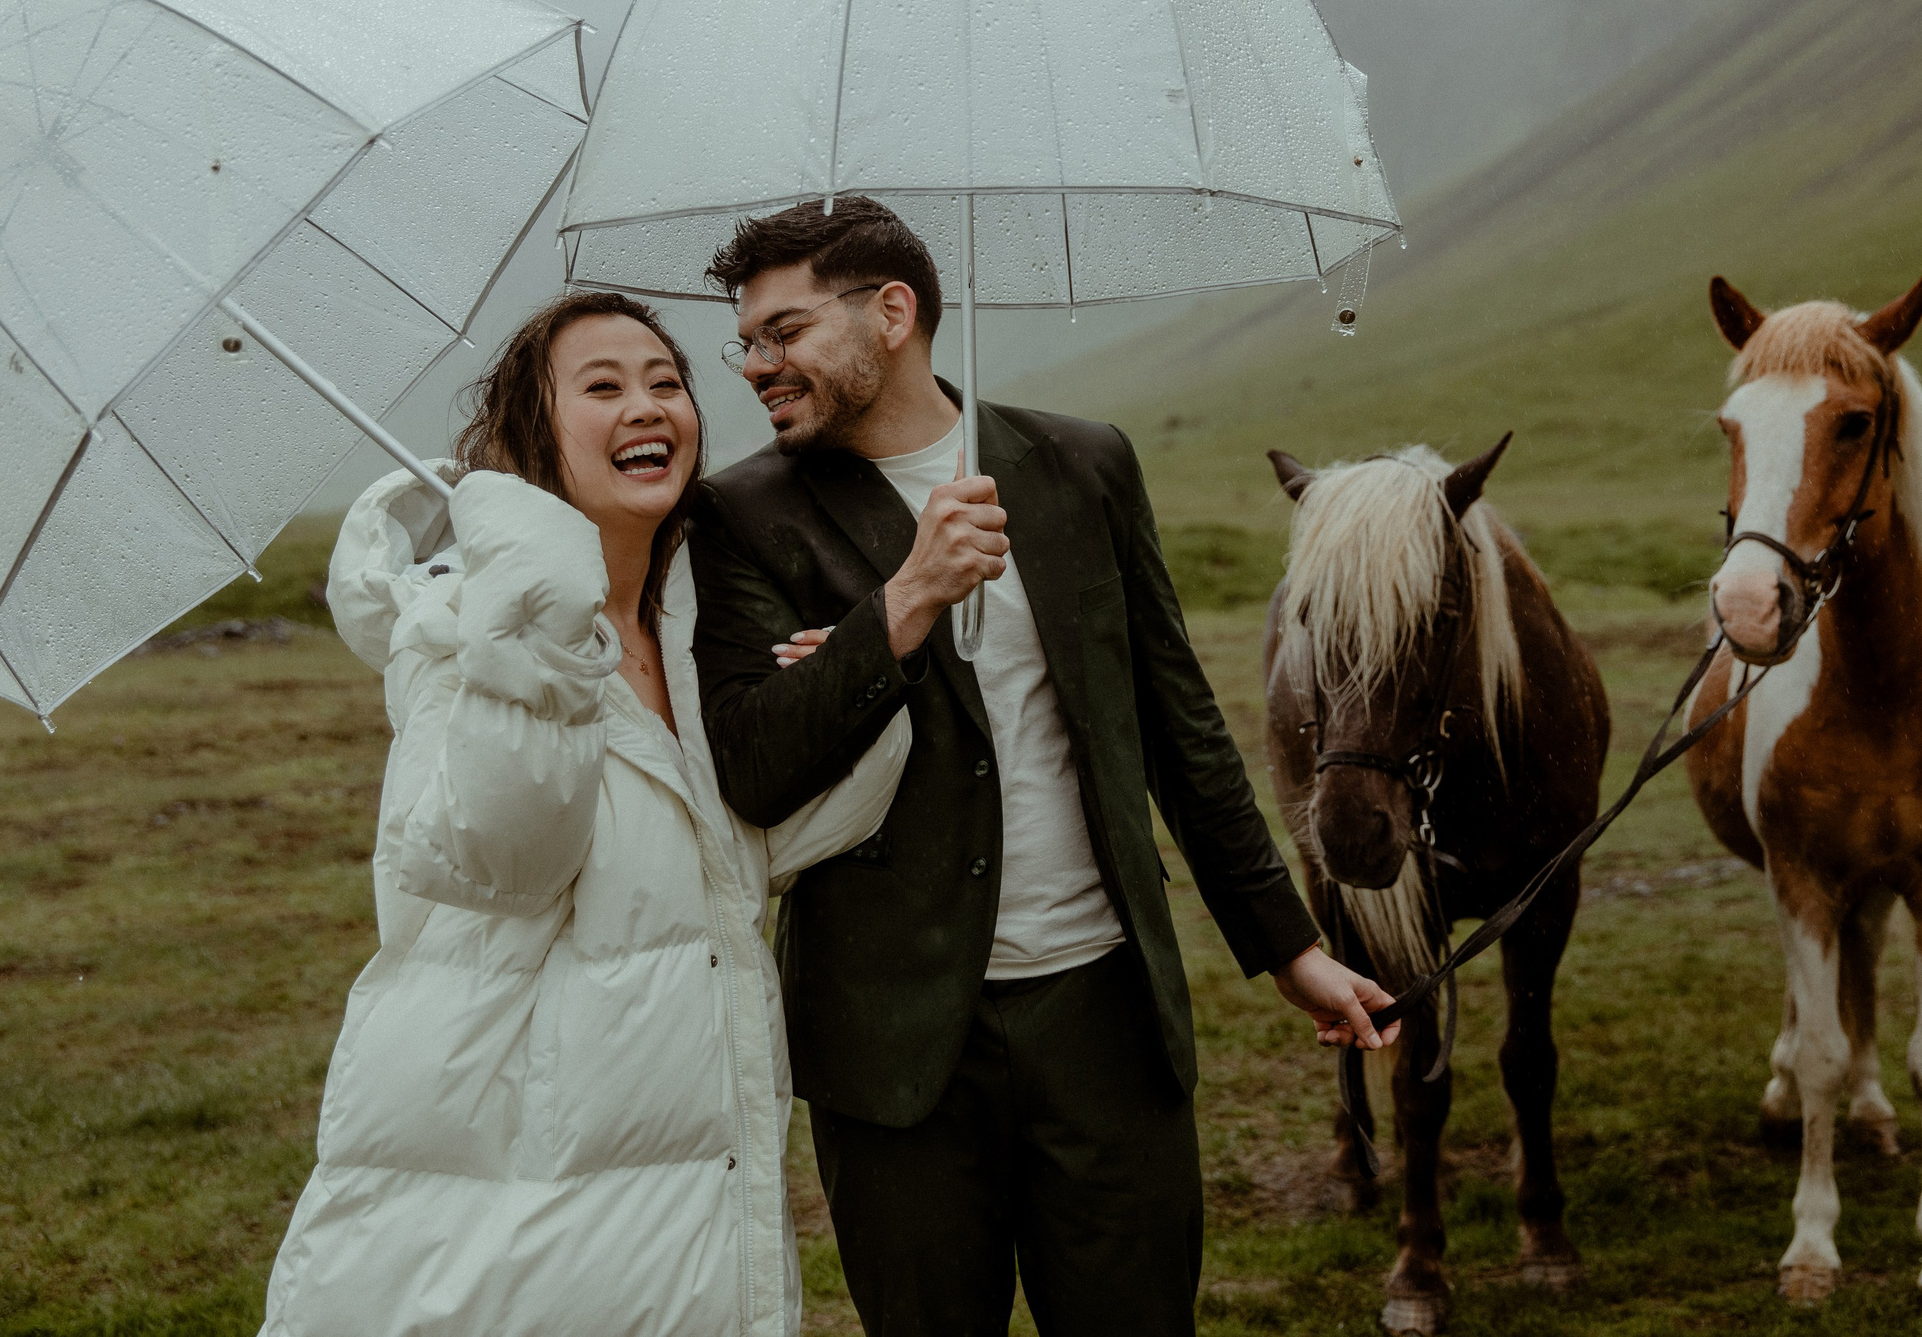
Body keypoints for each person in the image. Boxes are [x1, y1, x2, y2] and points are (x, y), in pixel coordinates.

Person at [688, 197, 1400, 1337]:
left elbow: (1176, 724)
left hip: (1105, 1018)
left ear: (892, 311)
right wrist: (905, 603)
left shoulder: (1082, 463)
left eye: (782, 333)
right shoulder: (738, 513)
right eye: (747, 343)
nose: (757, 367)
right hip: (895, 1046)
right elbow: (753, 767)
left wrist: (1288, 948)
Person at [261, 291, 906, 1337]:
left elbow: (762, 849)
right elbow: (502, 860)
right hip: (518, 1162)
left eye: (665, 382)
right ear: (534, 439)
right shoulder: (459, 628)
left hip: (681, 1148)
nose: (647, 407)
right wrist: (536, 633)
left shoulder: (702, 622)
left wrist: (848, 696)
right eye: (601, 388)